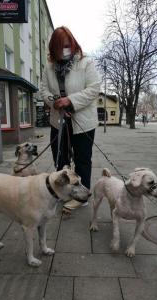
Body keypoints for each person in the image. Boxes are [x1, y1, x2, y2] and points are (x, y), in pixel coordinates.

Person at [40, 26, 101, 212]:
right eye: (60, 47)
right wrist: (54, 102)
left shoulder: (85, 62)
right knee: (60, 159)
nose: (64, 50)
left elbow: (94, 89)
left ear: (73, 44)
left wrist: (70, 100)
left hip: (82, 122)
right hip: (58, 122)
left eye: (67, 46)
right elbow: (43, 90)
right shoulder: (49, 67)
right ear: (53, 48)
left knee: (82, 160)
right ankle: (63, 192)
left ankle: (82, 198)